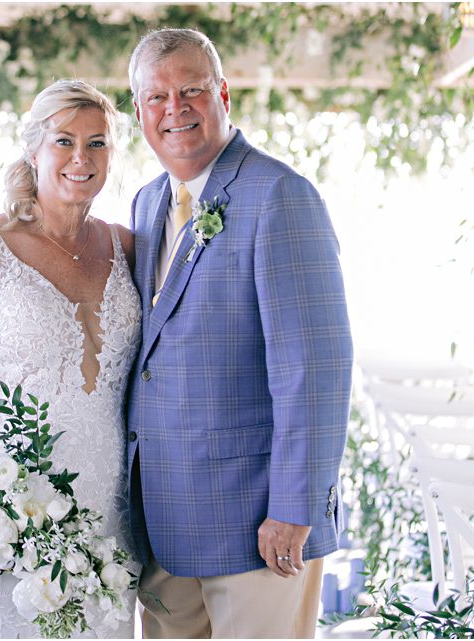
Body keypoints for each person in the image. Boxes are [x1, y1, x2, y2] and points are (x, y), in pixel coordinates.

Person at [125, 29, 353, 638]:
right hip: (165, 524)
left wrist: (294, 508)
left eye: (191, 90)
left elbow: (315, 369)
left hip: (259, 524)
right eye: (156, 97)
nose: (174, 109)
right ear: (139, 112)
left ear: (222, 94)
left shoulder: (281, 196)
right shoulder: (147, 204)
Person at [0, 79, 141, 639]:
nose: (81, 158)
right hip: (13, 513)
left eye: (97, 143)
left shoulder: (127, 246)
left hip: (106, 520)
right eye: (64, 141)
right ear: (33, 150)